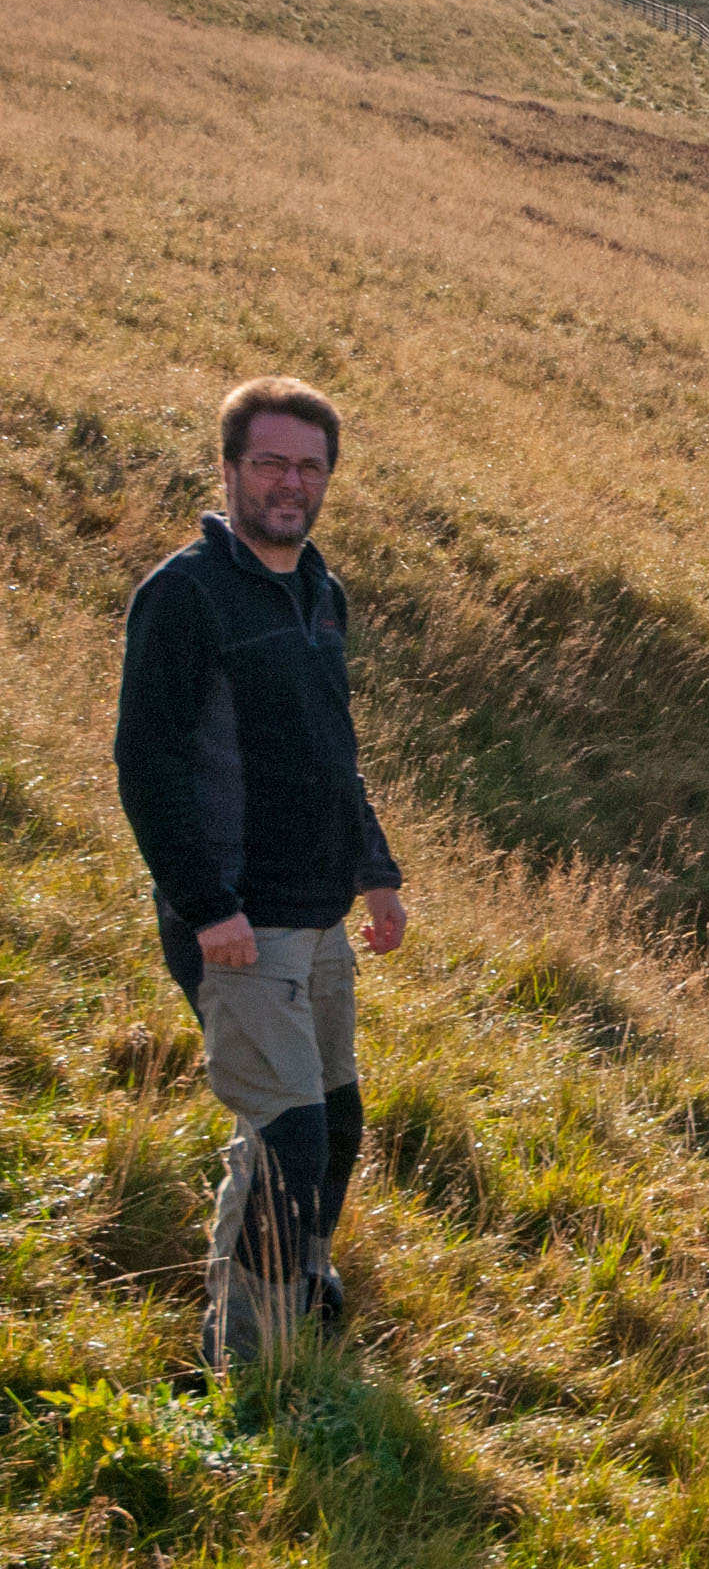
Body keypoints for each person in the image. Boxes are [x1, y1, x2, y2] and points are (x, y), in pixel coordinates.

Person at [114, 377, 407, 1368]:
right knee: (283, 1135)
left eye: (309, 465)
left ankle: (303, 1286)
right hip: (240, 919)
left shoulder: (321, 589)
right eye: (272, 462)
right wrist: (206, 906)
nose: (292, 482)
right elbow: (144, 763)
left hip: (318, 915)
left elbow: (334, 748)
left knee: (334, 1117)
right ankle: (250, 1356)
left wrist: (377, 871)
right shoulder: (185, 595)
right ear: (232, 469)